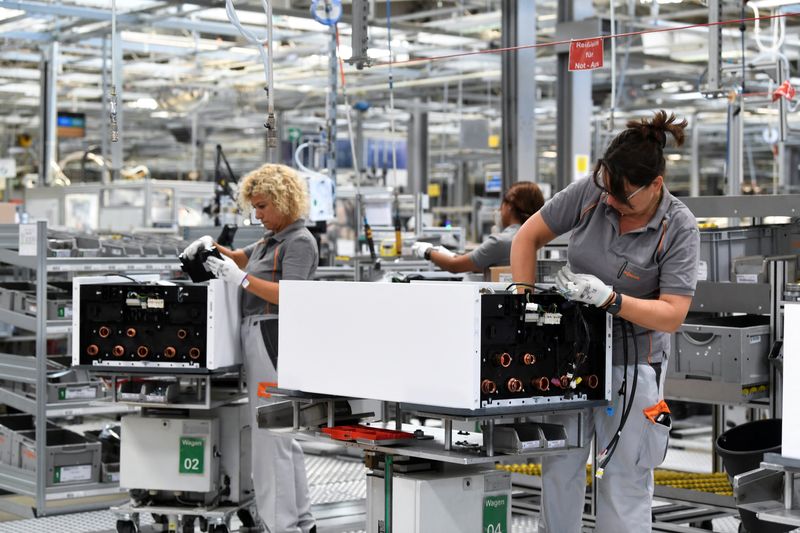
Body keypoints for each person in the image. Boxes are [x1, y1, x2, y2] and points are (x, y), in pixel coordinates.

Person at [510, 111, 699, 533]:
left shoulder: (679, 227)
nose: (610, 202)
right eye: (607, 190)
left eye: (623, 197)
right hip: (572, 361)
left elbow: (672, 314)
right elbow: (527, 237)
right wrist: (525, 306)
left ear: (655, 185)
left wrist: (612, 300)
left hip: (634, 370)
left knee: (624, 480)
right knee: (559, 470)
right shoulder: (593, 192)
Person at [183, 163, 317, 533]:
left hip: (273, 338)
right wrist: (212, 249)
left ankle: (280, 525)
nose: (257, 215)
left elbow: (292, 296)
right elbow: (243, 259)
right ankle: (300, 522)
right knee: (282, 436)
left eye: (262, 207)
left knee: (269, 435)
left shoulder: (299, 242)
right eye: (254, 207)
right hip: (257, 335)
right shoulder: (269, 241)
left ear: (284, 201)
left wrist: (240, 280)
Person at [411, 181, 545, 273]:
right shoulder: (538, 238)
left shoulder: (502, 241)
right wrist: (445, 253)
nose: (499, 210)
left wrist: (426, 251)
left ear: (509, 207)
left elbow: (454, 265)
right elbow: (471, 262)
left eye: (502, 205)